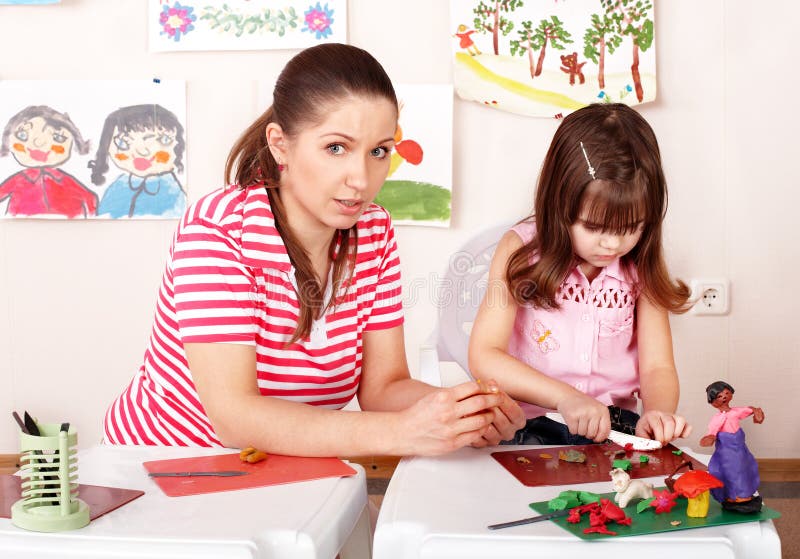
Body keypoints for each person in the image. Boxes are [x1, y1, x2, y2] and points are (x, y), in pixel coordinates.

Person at [104, 43, 524, 456]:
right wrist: (403, 431)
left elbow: (383, 387)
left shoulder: (373, 231)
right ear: (280, 144)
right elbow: (235, 418)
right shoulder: (218, 231)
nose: (360, 178)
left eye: (379, 151)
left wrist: (458, 412)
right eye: (336, 148)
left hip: (283, 469)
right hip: (162, 462)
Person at [468, 103, 692, 446]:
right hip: (530, 421)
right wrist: (565, 397)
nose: (613, 243)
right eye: (594, 226)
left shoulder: (639, 266)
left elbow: (657, 367)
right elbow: (485, 355)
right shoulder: (520, 251)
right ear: (559, 204)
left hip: (615, 428)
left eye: (631, 227)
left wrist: (658, 412)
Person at [90, 104, 186, 218]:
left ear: (178, 145)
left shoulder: (174, 194)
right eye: (123, 143)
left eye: (162, 140)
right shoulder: (117, 187)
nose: (142, 151)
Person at [0, 105, 97, 218]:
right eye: (23, 135)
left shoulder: (67, 181)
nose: (39, 143)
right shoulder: (19, 180)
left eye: (58, 137)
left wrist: (92, 218)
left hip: (70, 226)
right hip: (20, 226)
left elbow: (91, 199)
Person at [699, 380, 764, 513]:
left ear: (731, 394)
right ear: (713, 402)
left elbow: (750, 409)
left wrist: (757, 412)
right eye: (719, 396)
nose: (723, 397)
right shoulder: (717, 419)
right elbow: (712, 431)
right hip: (727, 451)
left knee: (746, 469)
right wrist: (710, 437)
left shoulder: (735, 412)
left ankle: (744, 495)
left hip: (740, 448)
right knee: (732, 471)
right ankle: (734, 496)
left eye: (726, 393)